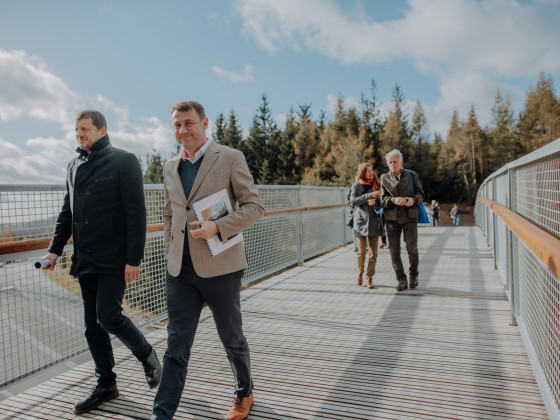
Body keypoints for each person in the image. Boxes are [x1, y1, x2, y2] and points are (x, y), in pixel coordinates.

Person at [41, 110, 161, 414]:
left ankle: (146, 354)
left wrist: (133, 259)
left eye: (85, 129)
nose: (79, 134)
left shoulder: (124, 160)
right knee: (92, 327)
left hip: (115, 258)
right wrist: (54, 250)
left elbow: (137, 214)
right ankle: (106, 383)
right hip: (85, 258)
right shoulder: (72, 166)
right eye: (76, 129)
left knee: (108, 316)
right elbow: (66, 214)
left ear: (102, 130)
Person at [151, 101, 265, 420]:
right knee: (176, 346)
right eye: (177, 125)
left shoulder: (229, 157)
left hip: (221, 268)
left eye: (188, 123)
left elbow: (254, 206)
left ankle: (244, 392)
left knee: (231, 338)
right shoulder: (170, 166)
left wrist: (218, 226)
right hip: (180, 272)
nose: (182, 130)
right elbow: (169, 213)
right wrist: (170, 250)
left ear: (205, 123)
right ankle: (162, 413)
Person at [380, 149, 425, 291]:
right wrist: (393, 199)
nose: (392, 165)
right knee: (394, 252)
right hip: (391, 220)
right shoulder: (384, 178)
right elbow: (382, 200)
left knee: (412, 249)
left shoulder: (412, 175)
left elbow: (421, 193)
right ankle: (401, 279)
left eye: (395, 161)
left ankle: (414, 275)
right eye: (390, 162)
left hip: (410, 218)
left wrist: (413, 200)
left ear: (401, 162)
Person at [349, 163, 384, 289]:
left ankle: (369, 278)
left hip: (374, 222)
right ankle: (360, 272)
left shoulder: (377, 185)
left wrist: (375, 203)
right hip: (360, 222)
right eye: (368, 171)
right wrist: (369, 196)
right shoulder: (356, 185)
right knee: (361, 252)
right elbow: (352, 201)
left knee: (373, 254)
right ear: (362, 173)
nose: (371, 173)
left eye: (371, 170)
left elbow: (381, 204)